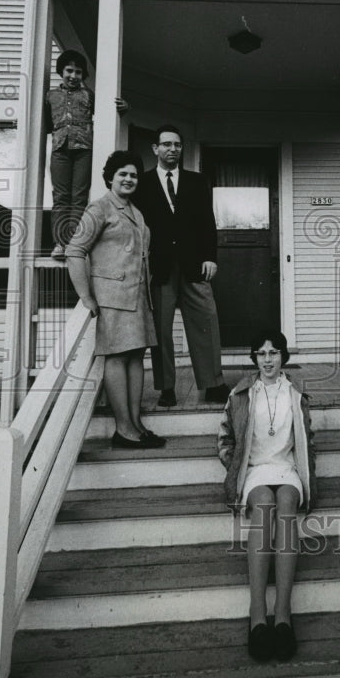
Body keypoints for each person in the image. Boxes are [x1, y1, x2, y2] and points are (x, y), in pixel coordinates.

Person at [217, 329, 316, 662]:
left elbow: (307, 439)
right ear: (254, 358)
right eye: (261, 353)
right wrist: (236, 468)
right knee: (263, 504)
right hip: (255, 469)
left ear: (283, 356)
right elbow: (224, 438)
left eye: (274, 352)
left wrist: (307, 470)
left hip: (286, 468)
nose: (268, 359)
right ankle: (257, 614)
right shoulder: (242, 394)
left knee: (286, 504)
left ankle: (284, 615)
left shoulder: (296, 392)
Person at [65, 150, 165, 449]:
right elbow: (75, 251)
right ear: (110, 177)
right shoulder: (99, 209)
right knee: (118, 358)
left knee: (136, 358)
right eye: (123, 174)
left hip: (137, 298)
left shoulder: (136, 211)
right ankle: (123, 429)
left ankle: (135, 425)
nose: (129, 179)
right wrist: (86, 296)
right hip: (112, 298)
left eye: (133, 175)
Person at [132, 124, 228, 407]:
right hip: (159, 267)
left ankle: (212, 383)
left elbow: (207, 224)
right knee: (161, 329)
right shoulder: (143, 184)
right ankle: (166, 388)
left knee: (206, 321)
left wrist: (210, 256)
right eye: (166, 144)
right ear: (155, 149)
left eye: (177, 145)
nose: (172, 149)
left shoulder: (196, 182)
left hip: (194, 264)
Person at [46, 49, 128, 260]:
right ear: (61, 71)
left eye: (78, 72)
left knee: (79, 197)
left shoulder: (89, 95)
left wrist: (123, 108)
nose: (73, 76)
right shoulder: (50, 96)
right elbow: (46, 124)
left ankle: (74, 242)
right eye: (69, 71)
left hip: (83, 150)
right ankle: (59, 243)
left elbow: (108, 111)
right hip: (60, 149)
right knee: (61, 196)